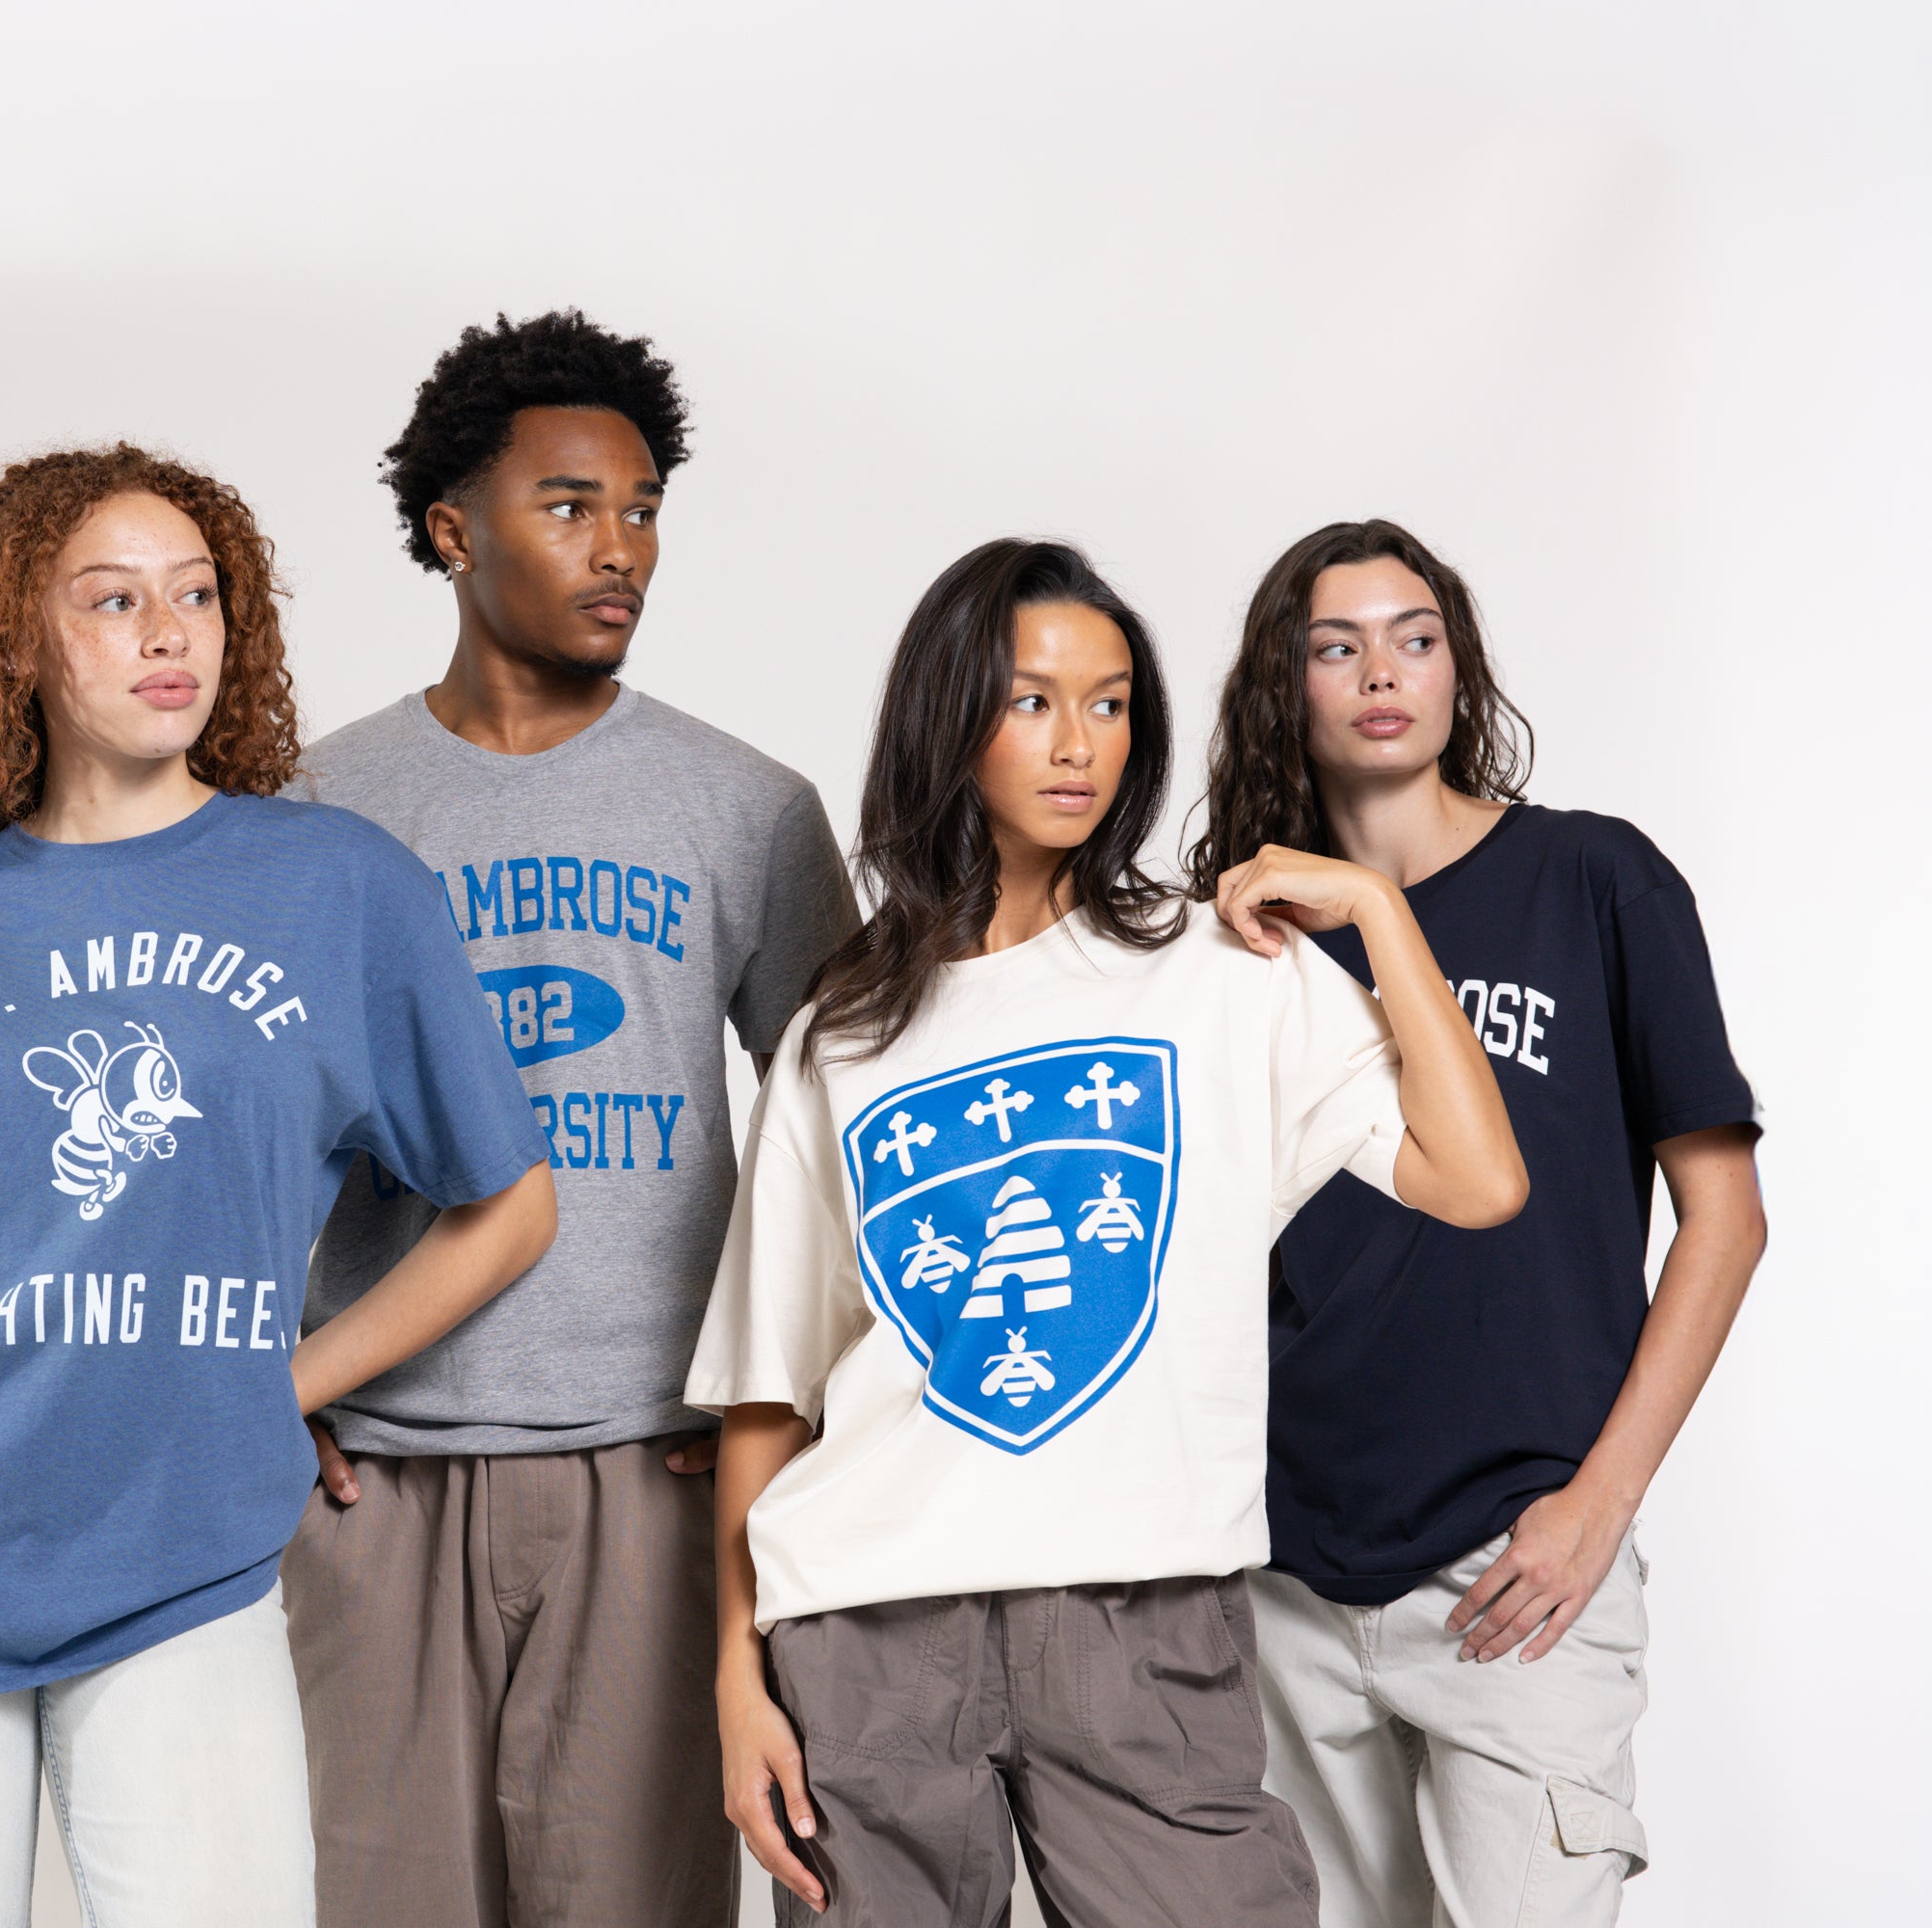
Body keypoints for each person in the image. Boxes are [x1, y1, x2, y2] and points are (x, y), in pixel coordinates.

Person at [0, 444, 559, 1928]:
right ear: (17, 642)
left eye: (197, 595)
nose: (171, 634)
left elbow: (510, 1206)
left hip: (183, 1558)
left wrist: (284, 1380)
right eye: (113, 601)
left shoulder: (341, 888)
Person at [692, 538, 1531, 1926]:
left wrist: (1378, 915)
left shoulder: (1222, 975)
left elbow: (1477, 1177)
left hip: (1143, 1618)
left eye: (1111, 700)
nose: (1078, 742)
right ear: (946, 722)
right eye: (1030, 701)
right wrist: (737, 1682)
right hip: (867, 1627)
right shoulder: (844, 1034)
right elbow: (772, 1395)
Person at [282, 310, 857, 1928]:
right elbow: (255, 1133)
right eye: (571, 507)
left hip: (654, 1474)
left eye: (645, 506)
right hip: (374, 1479)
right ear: (452, 532)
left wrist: (780, 1426)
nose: (623, 550)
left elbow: (849, 1154)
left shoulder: (748, 808)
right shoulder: (322, 808)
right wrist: (272, 1375)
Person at [1188, 522, 1766, 1928]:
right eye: (1337, 645)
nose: (1381, 671)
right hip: (1280, 1579)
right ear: (1288, 684)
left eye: (1415, 636)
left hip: (1519, 1571)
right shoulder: (1244, 941)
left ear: (1461, 670)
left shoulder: (1594, 880)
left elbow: (1725, 1220)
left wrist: (1599, 1506)